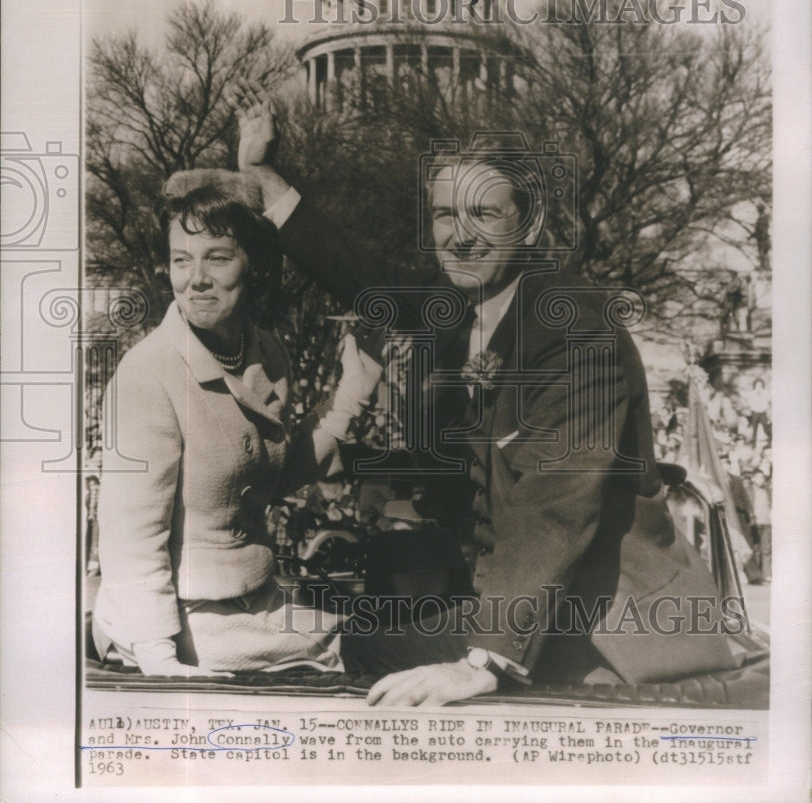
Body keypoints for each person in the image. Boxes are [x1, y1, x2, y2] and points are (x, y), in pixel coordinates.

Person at [234, 84, 737, 707]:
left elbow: (551, 506)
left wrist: (480, 661)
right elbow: (362, 279)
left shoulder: (577, 328)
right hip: (527, 613)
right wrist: (264, 175)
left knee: (351, 669)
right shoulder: (460, 312)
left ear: (527, 223)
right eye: (447, 216)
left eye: (485, 215)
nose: (461, 237)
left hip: (616, 632)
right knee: (342, 648)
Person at [92, 170, 382, 676]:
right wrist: (160, 660)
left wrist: (349, 397)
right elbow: (129, 535)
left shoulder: (268, 353)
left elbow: (270, 478)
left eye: (217, 257)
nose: (195, 278)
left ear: (258, 267)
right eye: (181, 260)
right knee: (360, 650)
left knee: (386, 641)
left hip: (254, 602)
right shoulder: (148, 372)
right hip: (173, 625)